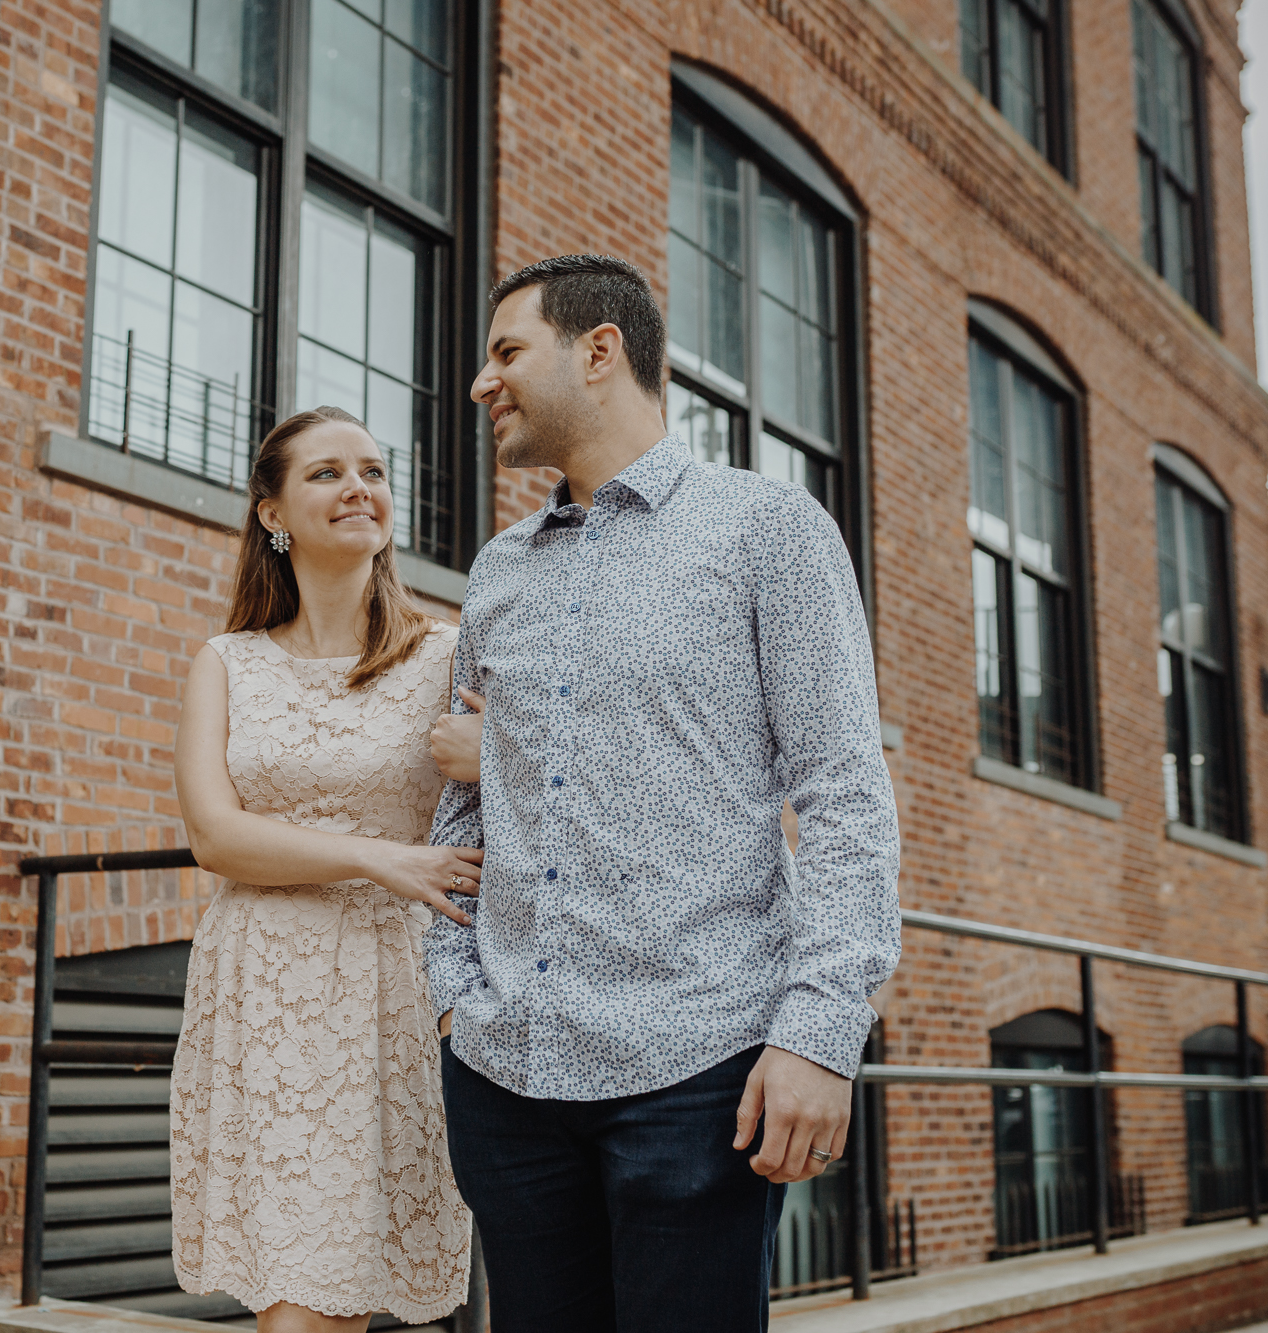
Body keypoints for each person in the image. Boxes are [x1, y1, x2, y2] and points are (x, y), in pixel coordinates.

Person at [424, 254, 902, 1331]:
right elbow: (471, 803)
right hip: (506, 1070)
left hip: (695, 1068)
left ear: (599, 352)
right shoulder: (497, 568)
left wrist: (820, 1031)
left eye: (504, 352)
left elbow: (840, 792)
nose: (480, 383)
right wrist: (451, 993)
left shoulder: (765, 530)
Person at [169, 406, 476, 1333]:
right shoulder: (226, 662)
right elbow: (217, 838)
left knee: (337, 1301)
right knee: (298, 1300)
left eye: (374, 472)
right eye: (328, 473)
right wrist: (376, 855)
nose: (360, 488)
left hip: (395, 991)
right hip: (262, 988)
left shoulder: (447, 656)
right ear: (273, 513)